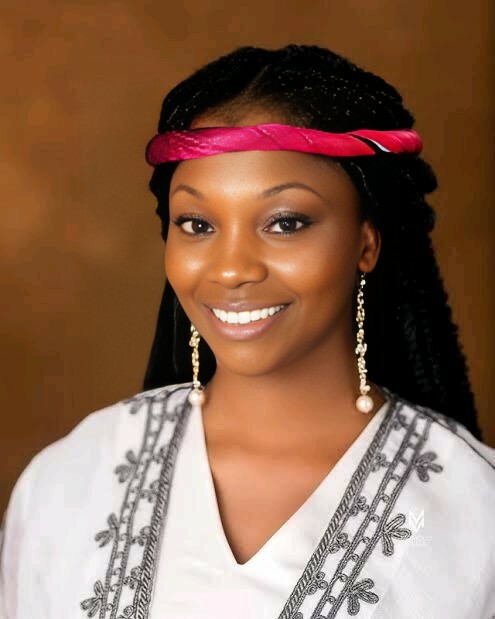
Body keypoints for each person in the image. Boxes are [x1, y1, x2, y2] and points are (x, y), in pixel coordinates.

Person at [1, 44, 494, 619]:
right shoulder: (70, 481)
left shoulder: (475, 516)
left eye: (285, 223)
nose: (231, 268)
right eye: (197, 224)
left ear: (366, 242)